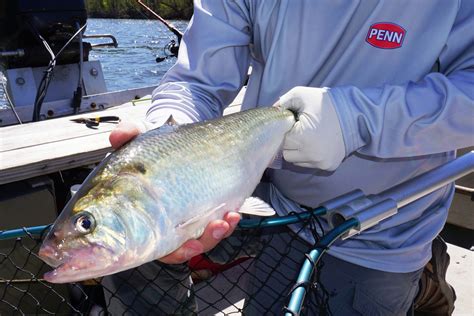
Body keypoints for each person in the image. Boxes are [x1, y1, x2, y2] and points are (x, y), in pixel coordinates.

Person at [109, 1, 474, 314]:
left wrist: (357, 120)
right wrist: (163, 134)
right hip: (275, 195)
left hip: (382, 228)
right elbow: (196, 82)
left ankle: (422, 280)